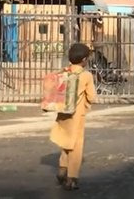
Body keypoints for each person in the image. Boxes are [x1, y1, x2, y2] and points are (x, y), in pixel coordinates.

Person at [49, 43, 97, 191]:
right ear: (84, 59)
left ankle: (62, 170)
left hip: (62, 113)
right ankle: (72, 178)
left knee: (65, 142)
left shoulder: (64, 72)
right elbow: (92, 97)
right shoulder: (86, 75)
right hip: (77, 115)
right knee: (76, 146)